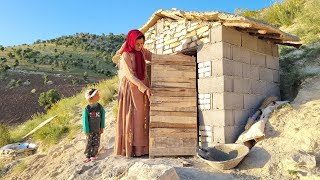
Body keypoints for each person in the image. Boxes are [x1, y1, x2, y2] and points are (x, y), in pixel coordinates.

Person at [114, 29, 152, 157]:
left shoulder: (141, 52)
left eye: (142, 44)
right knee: (133, 117)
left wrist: (174, 57)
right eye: (138, 44)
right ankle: (132, 149)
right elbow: (130, 75)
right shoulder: (126, 55)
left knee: (142, 117)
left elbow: (153, 57)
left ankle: (142, 149)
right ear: (131, 42)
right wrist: (144, 87)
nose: (140, 46)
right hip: (131, 88)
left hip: (141, 86)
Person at [82, 88, 105, 162]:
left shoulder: (100, 107)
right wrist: (86, 130)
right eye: (96, 95)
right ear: (91, 98)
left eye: (98, 94)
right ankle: (87, 155)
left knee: (96, 142)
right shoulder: (87, 109)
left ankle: (93, 155)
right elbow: (85, 120)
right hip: (89, 130)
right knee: (89, 142)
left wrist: (101, 127)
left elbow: (102, 117)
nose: (98, 96)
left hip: (97, 129)